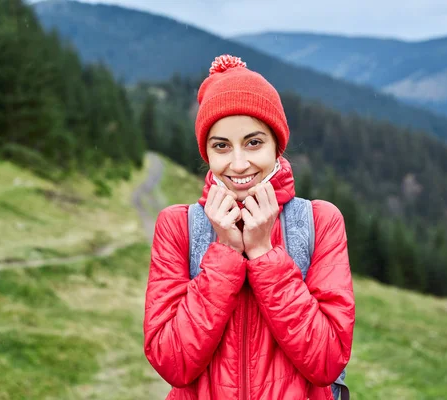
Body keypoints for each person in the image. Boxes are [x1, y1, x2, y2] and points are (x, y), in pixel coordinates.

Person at [143, 54, 355, 399]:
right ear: (207, 154)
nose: (239, 164)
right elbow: (173, 363)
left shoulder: (320, 221)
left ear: (277, 145)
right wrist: (225, 253)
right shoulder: (177, 226)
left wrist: (263, 254)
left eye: (254, 142)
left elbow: (328, 363)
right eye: (221, 146)